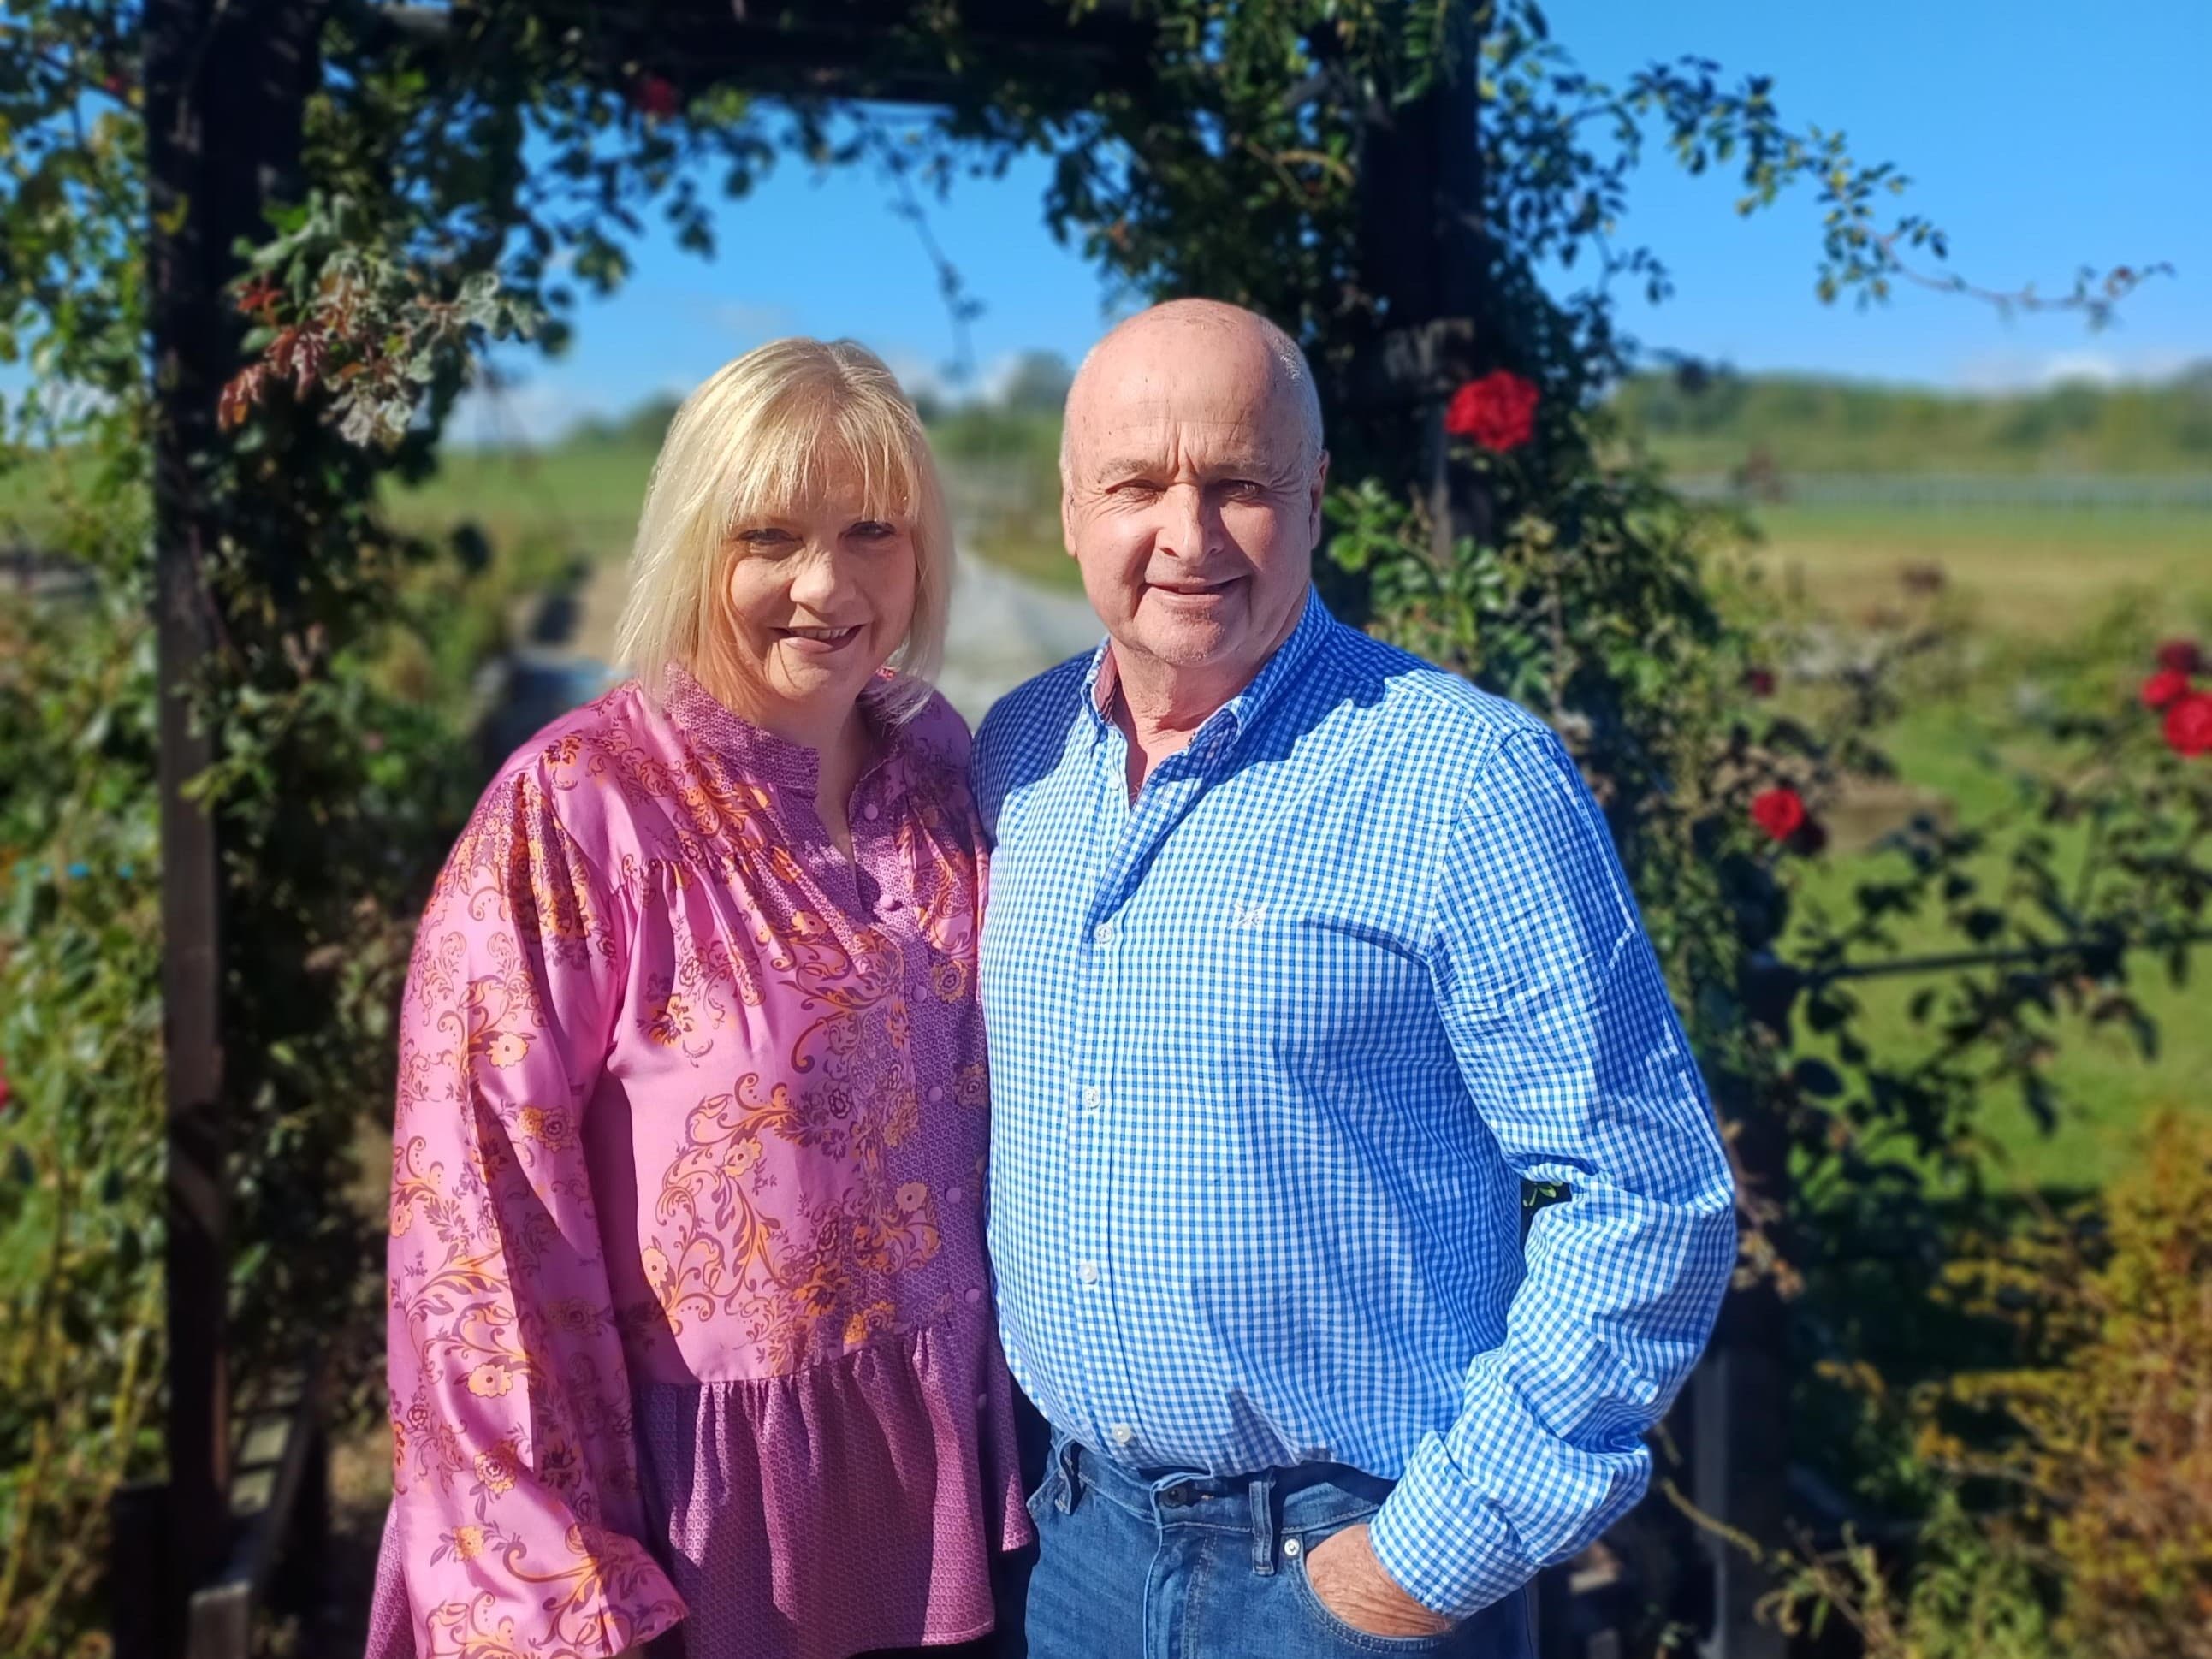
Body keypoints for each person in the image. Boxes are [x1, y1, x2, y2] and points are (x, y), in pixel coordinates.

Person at [972, 299, 1737, 1657]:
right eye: (1138, 485)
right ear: (1071, 505)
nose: (1188, 536)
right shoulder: (1015, 758)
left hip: (1345, 1558)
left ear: (1315, 496)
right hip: (1081, 1546)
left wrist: (1420, 1562)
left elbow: (1647, 1198)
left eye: (1241, 485)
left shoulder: (1462, 781)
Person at [365, 338, 1029, 1659]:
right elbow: (474, 1227)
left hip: (969, 1498)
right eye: (767, 535)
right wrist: (555, 1584)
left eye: (871, 531)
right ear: (690, 541)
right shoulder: (579, 811)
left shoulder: (939, 768)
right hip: (708, 1537)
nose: (825, 586)